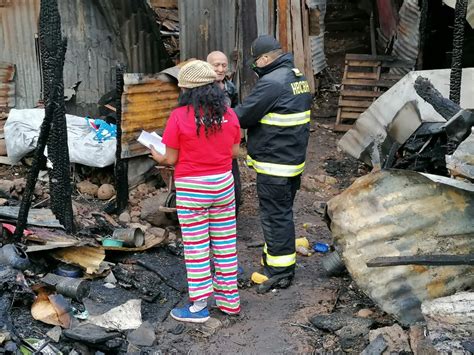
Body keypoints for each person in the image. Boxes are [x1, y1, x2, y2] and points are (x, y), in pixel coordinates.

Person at [150, 60, 241, 322]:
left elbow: (170, 158)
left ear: (187, 90)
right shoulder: (229, 113)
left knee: (197, 247)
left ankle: (199, 307)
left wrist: (156, 153)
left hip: (192, 188)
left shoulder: (180, 116)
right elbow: (234, 152)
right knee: (225, 244)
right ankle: (230, 302)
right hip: (223, 185)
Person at [234, 35, 312, 291]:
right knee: (282, 213)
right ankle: (274, 259)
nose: (256, 66)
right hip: (291, 162)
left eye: (257, 61)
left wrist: (220, 112)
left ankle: (279, 271)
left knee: (275, 216)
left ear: (265, 58)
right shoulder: (297, 77)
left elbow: (244, 117)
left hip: (274, 165)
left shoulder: (272, 83)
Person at [207, 51, 242, 211]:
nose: (220, 69)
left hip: (226, 144)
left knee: (233, 184)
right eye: (216, 65)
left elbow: (236, 114)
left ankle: (231, 216)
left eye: (224, 65)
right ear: (207, 66)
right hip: (206, 142)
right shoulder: (200, 88)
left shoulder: (230, 87)